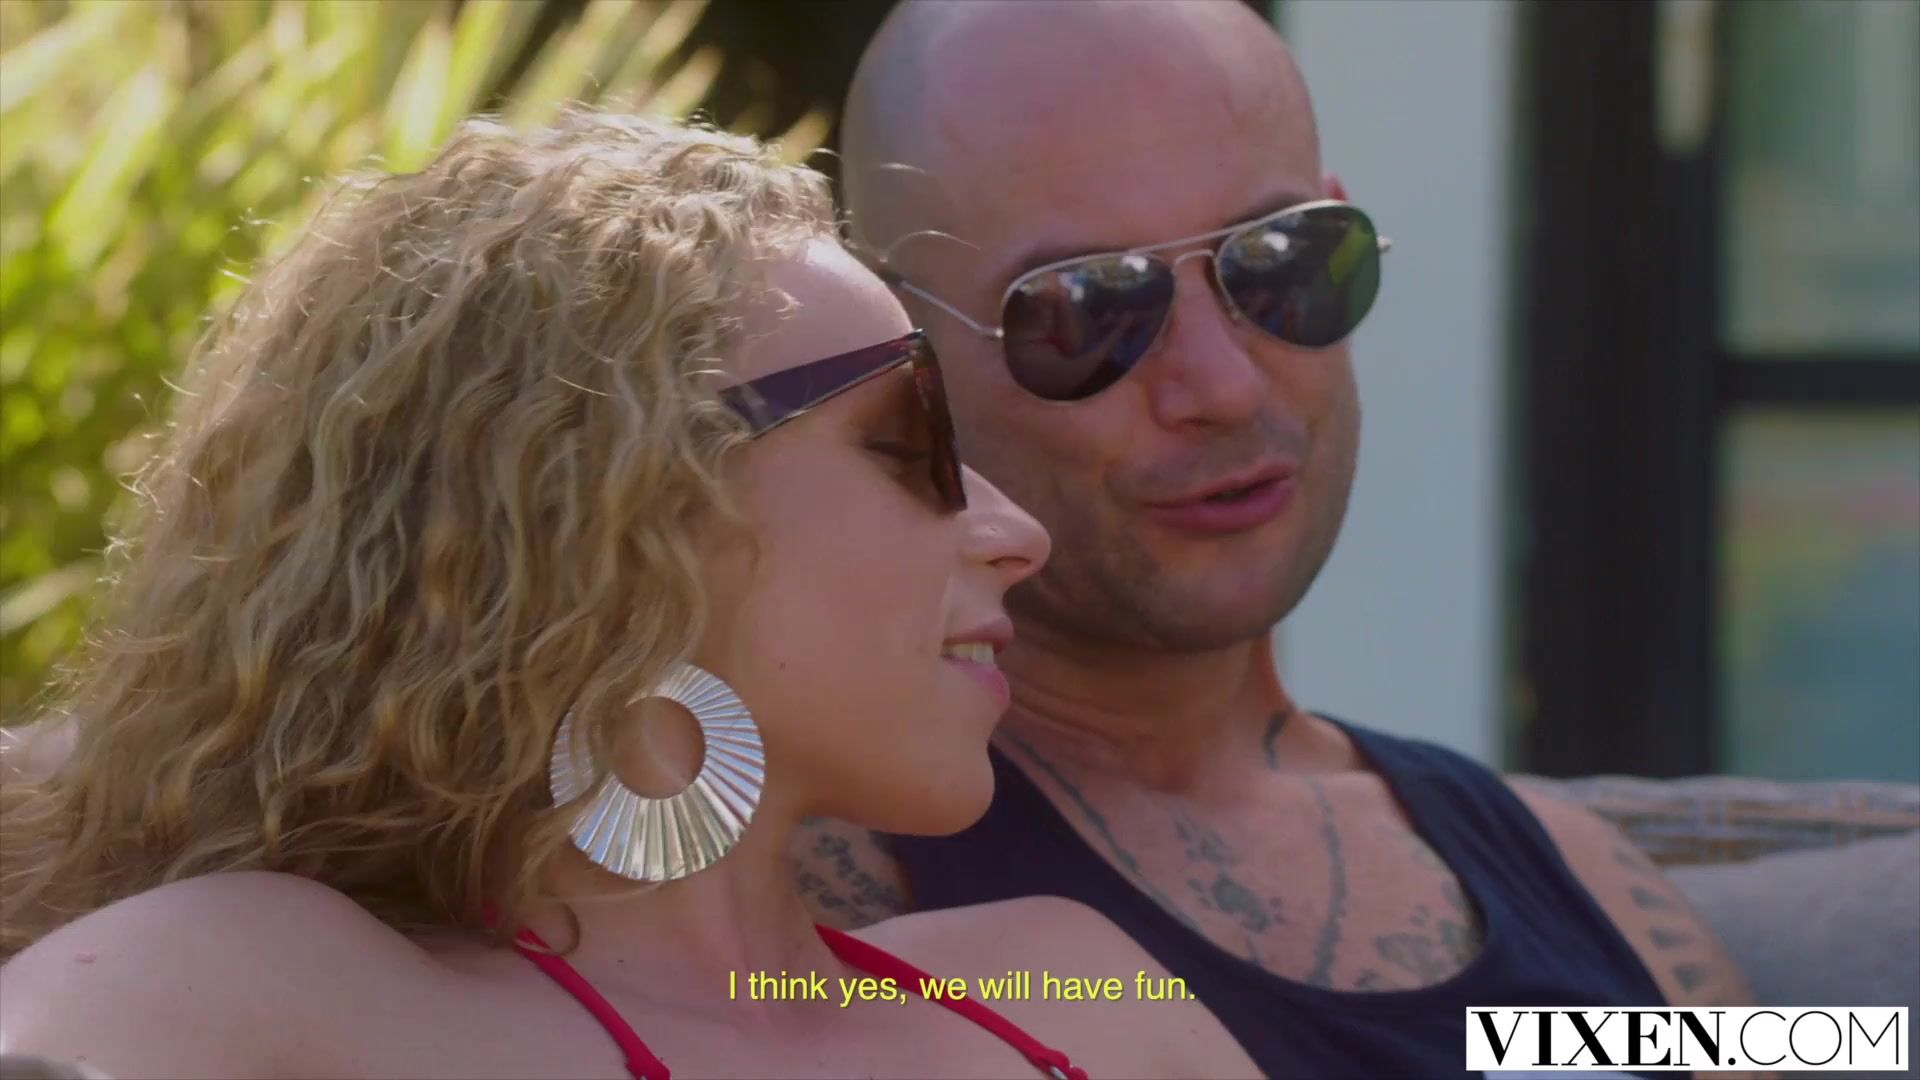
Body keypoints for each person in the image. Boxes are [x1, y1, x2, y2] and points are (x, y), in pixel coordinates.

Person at [0, 110, 1260, 1079]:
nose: (1017, 534)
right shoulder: (260, 980)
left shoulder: (1076, 989)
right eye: (912, 439)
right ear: (614, 507)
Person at [794, 2, 1755, 1075]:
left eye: (1282, 263)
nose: (1224, 385)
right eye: (1087, 310)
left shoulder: (1593, 891)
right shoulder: (790, 922)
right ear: (895, 350)